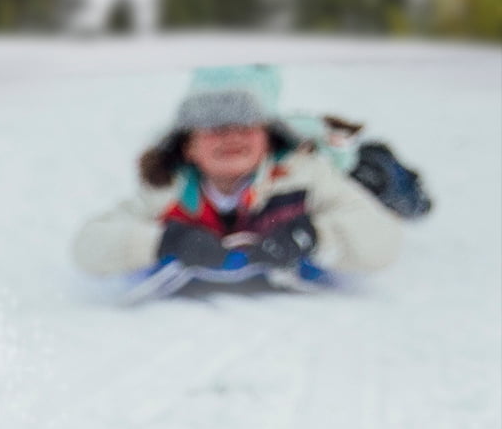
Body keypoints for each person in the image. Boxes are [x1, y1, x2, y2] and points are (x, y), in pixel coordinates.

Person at [73, 64, 405, 294]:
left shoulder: (303, 175)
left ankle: (379, 164)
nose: (232, 137)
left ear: (268, 138)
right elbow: (89, 244)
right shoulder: (169, 190)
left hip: (349, 170)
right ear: (188, 145)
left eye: (246, 126)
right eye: (215, 128)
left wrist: (312, 235)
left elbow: (383, 238)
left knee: (376, 179)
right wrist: (164, 241)